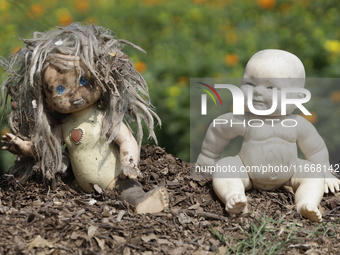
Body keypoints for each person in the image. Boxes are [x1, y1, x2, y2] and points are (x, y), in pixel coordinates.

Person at [1, 23, 169, 213]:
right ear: (46, 100)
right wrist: (24, 147)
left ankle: (143, 203)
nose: (74, 94)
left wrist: (129, 163)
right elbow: (47, 148)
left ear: (101, 77)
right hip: (82, 193)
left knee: (130, 191)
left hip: (116, 182)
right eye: (60, 89)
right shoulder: (63, 126)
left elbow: (127, 140)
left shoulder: (103, 118)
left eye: (83, 81)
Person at [196, 49, 340, 222]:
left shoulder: (298, 124)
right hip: (246, 171)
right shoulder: (243, 120)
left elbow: (315, 150)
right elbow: (218, 131)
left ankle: (306, 204)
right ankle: (234, 196)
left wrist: (325, 171)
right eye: (250, 84)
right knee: (225, 167)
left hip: (290, 174)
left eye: (271, 87)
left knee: (313, 173)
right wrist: (208, 157)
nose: (258, 92)